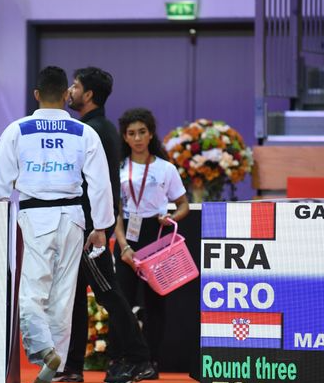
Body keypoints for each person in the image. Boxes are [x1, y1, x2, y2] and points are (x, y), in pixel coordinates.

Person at [0, 66, 115, 383]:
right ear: (65, 95)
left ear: (37, 94)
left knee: (32, 289)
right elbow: (100, 184)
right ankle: (53, 367)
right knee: (64, 294)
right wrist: (101, 226)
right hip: (73, 218)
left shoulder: (19, 129)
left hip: (35, 215)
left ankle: (42, 349)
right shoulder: (84, 133)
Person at [54, 67, 154, 383]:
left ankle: (140, 361)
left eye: (75, 86)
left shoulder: (94, 131)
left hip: (90, 227)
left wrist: (97, 227)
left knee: (108, 293)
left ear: (89, 95)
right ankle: (73, 367)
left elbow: (100, 185)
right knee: (77, 296)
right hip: (85, 223)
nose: (69, 91)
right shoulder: (92, 128)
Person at [114, 107, 190, 378]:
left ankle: (151, 361)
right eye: (131, 133)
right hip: (126, 235)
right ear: (124, 136)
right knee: (120, 301)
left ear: (151, 134)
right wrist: (123, 246)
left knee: (156, 303)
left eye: (142, 132)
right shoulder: (118, 168)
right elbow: (114, 212)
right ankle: (124, 358)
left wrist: (170, 217)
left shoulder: (165, 168)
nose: (137, 138)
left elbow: (183, 205)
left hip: (157, 235)